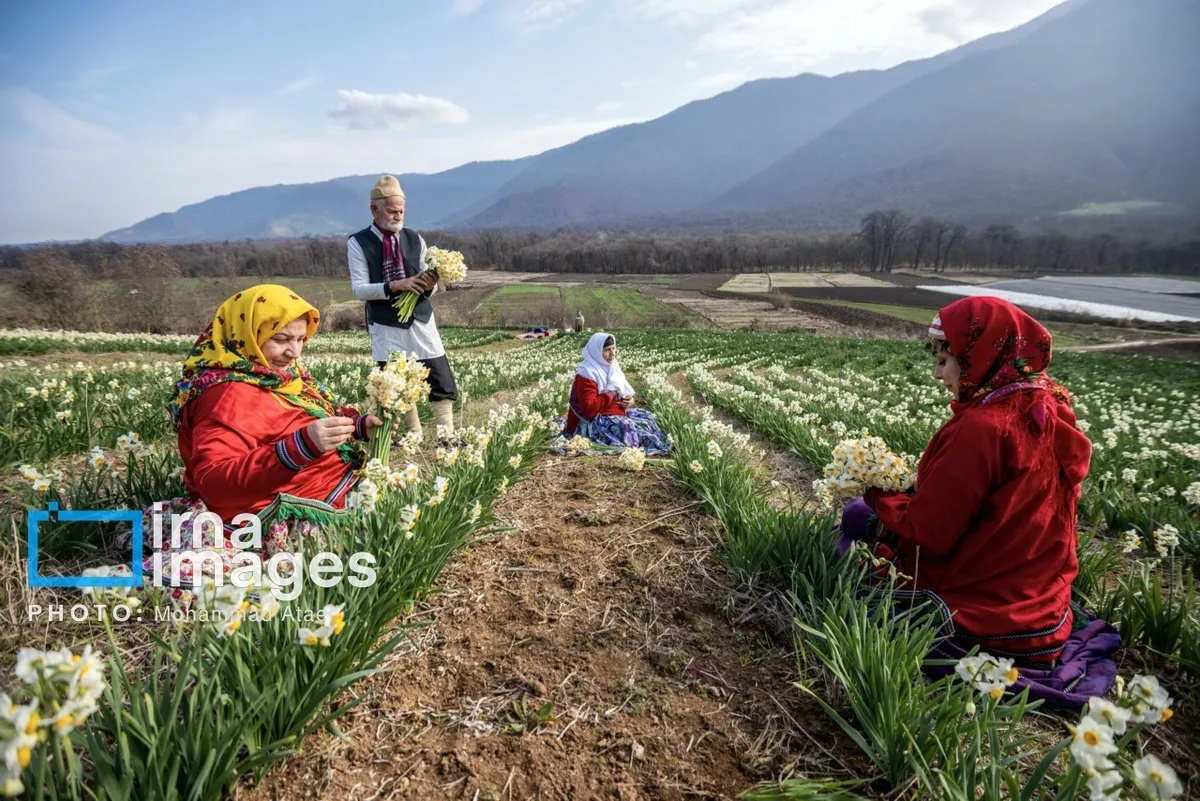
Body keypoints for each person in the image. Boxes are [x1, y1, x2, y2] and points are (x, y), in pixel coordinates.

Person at [844, 296, 1094, 665]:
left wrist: (876, 492)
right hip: (1044, 610)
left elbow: (929, 534)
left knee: (855, 519)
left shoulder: (982, 429)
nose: (937, 374)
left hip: (985, 615)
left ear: (978, 359)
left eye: (944, 361)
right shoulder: (1047, 409)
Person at [168, 284, 383, 530]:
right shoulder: (225, 396)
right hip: (266, 511)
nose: (295, 352)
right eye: (281, 339)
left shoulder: (273, 374)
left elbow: (295, 416)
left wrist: (357, 426)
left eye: (301, 339)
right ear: (247, 335)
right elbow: (214, 485)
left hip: (318, 484)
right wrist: (299, 447)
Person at [347, 175, 458, 439]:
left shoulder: (415, 239)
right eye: (391, 211)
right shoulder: (358, 242)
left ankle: (447, 435)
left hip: (419, 318)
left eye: (401, 211)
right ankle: (413, 433)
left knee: (438, 374)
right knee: (396, 381)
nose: (398, 216)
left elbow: (427, 285)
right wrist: (395, 286)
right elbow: (360, 289)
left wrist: (429, 284)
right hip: (385, 323)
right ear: (373, 209)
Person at [564, 332, 670, 454]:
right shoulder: (587, 374)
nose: (612, 354)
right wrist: (611, 393)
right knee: (627, 425)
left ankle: (662, 443)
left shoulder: (612, 367)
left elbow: (622, 392)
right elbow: (589, 410)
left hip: (611, 413)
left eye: (613, 348)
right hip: (590, 422)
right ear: (596, 352)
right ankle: (639, 450)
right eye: (607, 350)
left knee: (646, 417)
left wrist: (629, 401)